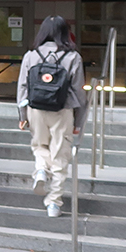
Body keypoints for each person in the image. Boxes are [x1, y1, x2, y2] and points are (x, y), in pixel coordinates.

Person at [17, 15, 85, 218]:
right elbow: (80, 93)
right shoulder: (73, 57)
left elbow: (22, 87)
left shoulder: (31, 55)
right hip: (62, 110)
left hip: (35, 109)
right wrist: (78, 122)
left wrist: (22, 115)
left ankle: (40, 170)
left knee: (39, 146)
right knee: (60, 155)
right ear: (65, 32)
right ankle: (54, 203)